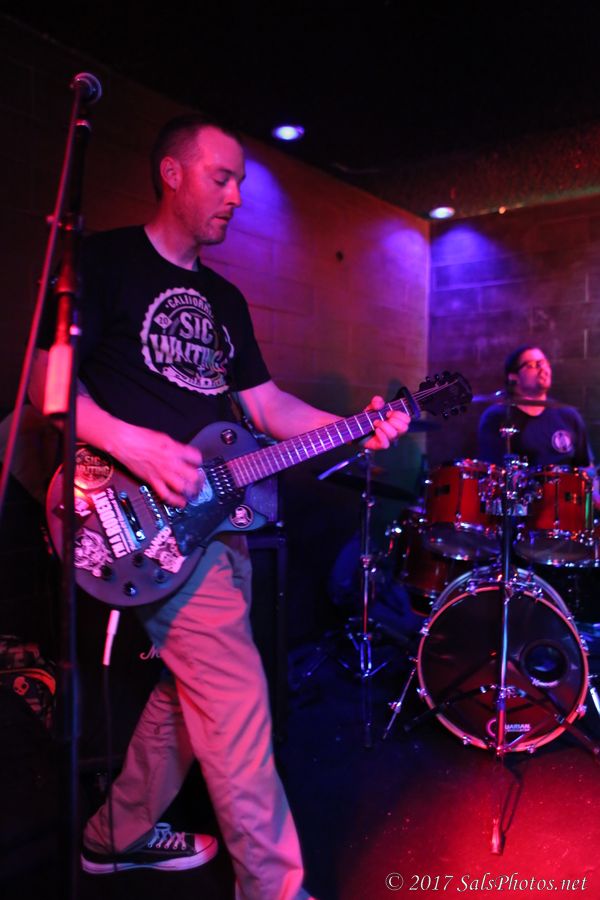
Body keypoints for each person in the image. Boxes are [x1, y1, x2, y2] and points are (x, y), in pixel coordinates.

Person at [29, 114, 410, 899]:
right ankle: (273, 887)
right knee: (235, 701)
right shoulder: (103, 263)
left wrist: (356, 427)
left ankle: (115, 835)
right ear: (171, 174)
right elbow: (47, 387)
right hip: (129, 508)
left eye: (239, 182)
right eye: (222, 178)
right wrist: (135, 446)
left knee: (187, 694)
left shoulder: (225, 300)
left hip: (220, 520)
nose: (236, 196)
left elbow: (266, 407)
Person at [477, 345, 593, 467]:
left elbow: (586, 467)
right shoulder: (496, 417)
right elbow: (491, 469)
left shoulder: (568, 415)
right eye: (533, 365)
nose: (543, 369)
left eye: (544, 363)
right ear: (514, 377)